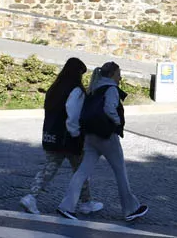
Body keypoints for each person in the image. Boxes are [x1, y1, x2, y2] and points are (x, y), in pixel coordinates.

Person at [58, 62, 147, 222]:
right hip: (107, 136)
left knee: (82, 171)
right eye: (119, 73)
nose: (120, 76)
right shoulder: (111, 89)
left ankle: (66, 206)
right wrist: (117, 122)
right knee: (120, 171)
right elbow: (109, 108)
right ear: (112, 74)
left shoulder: (94, 87)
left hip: (91, 135)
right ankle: (130, 209)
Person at [22, 58, 102, 216]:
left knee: (49, 169)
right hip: (69, 139)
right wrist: (77, 134)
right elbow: (73, 116)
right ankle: (86, 203)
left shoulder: (55, 88)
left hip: (52, 135)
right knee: (81, 170)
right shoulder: (76, 90)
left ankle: (31, 196)